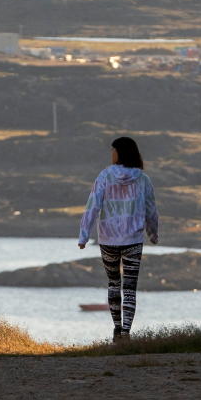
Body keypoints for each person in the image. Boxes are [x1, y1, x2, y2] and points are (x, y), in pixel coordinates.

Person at [78, 136, 159, 341]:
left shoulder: (105, 176)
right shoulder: (143, 179)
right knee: (130, 288)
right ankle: (126, 332)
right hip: (133, 238)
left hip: (108, 239)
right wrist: (153, 233)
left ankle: (116, 329)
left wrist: (84, 235)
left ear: (119, 152)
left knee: (113, 283)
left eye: (112, 150)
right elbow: (151, 210)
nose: (111, 153)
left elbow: (92, 206)